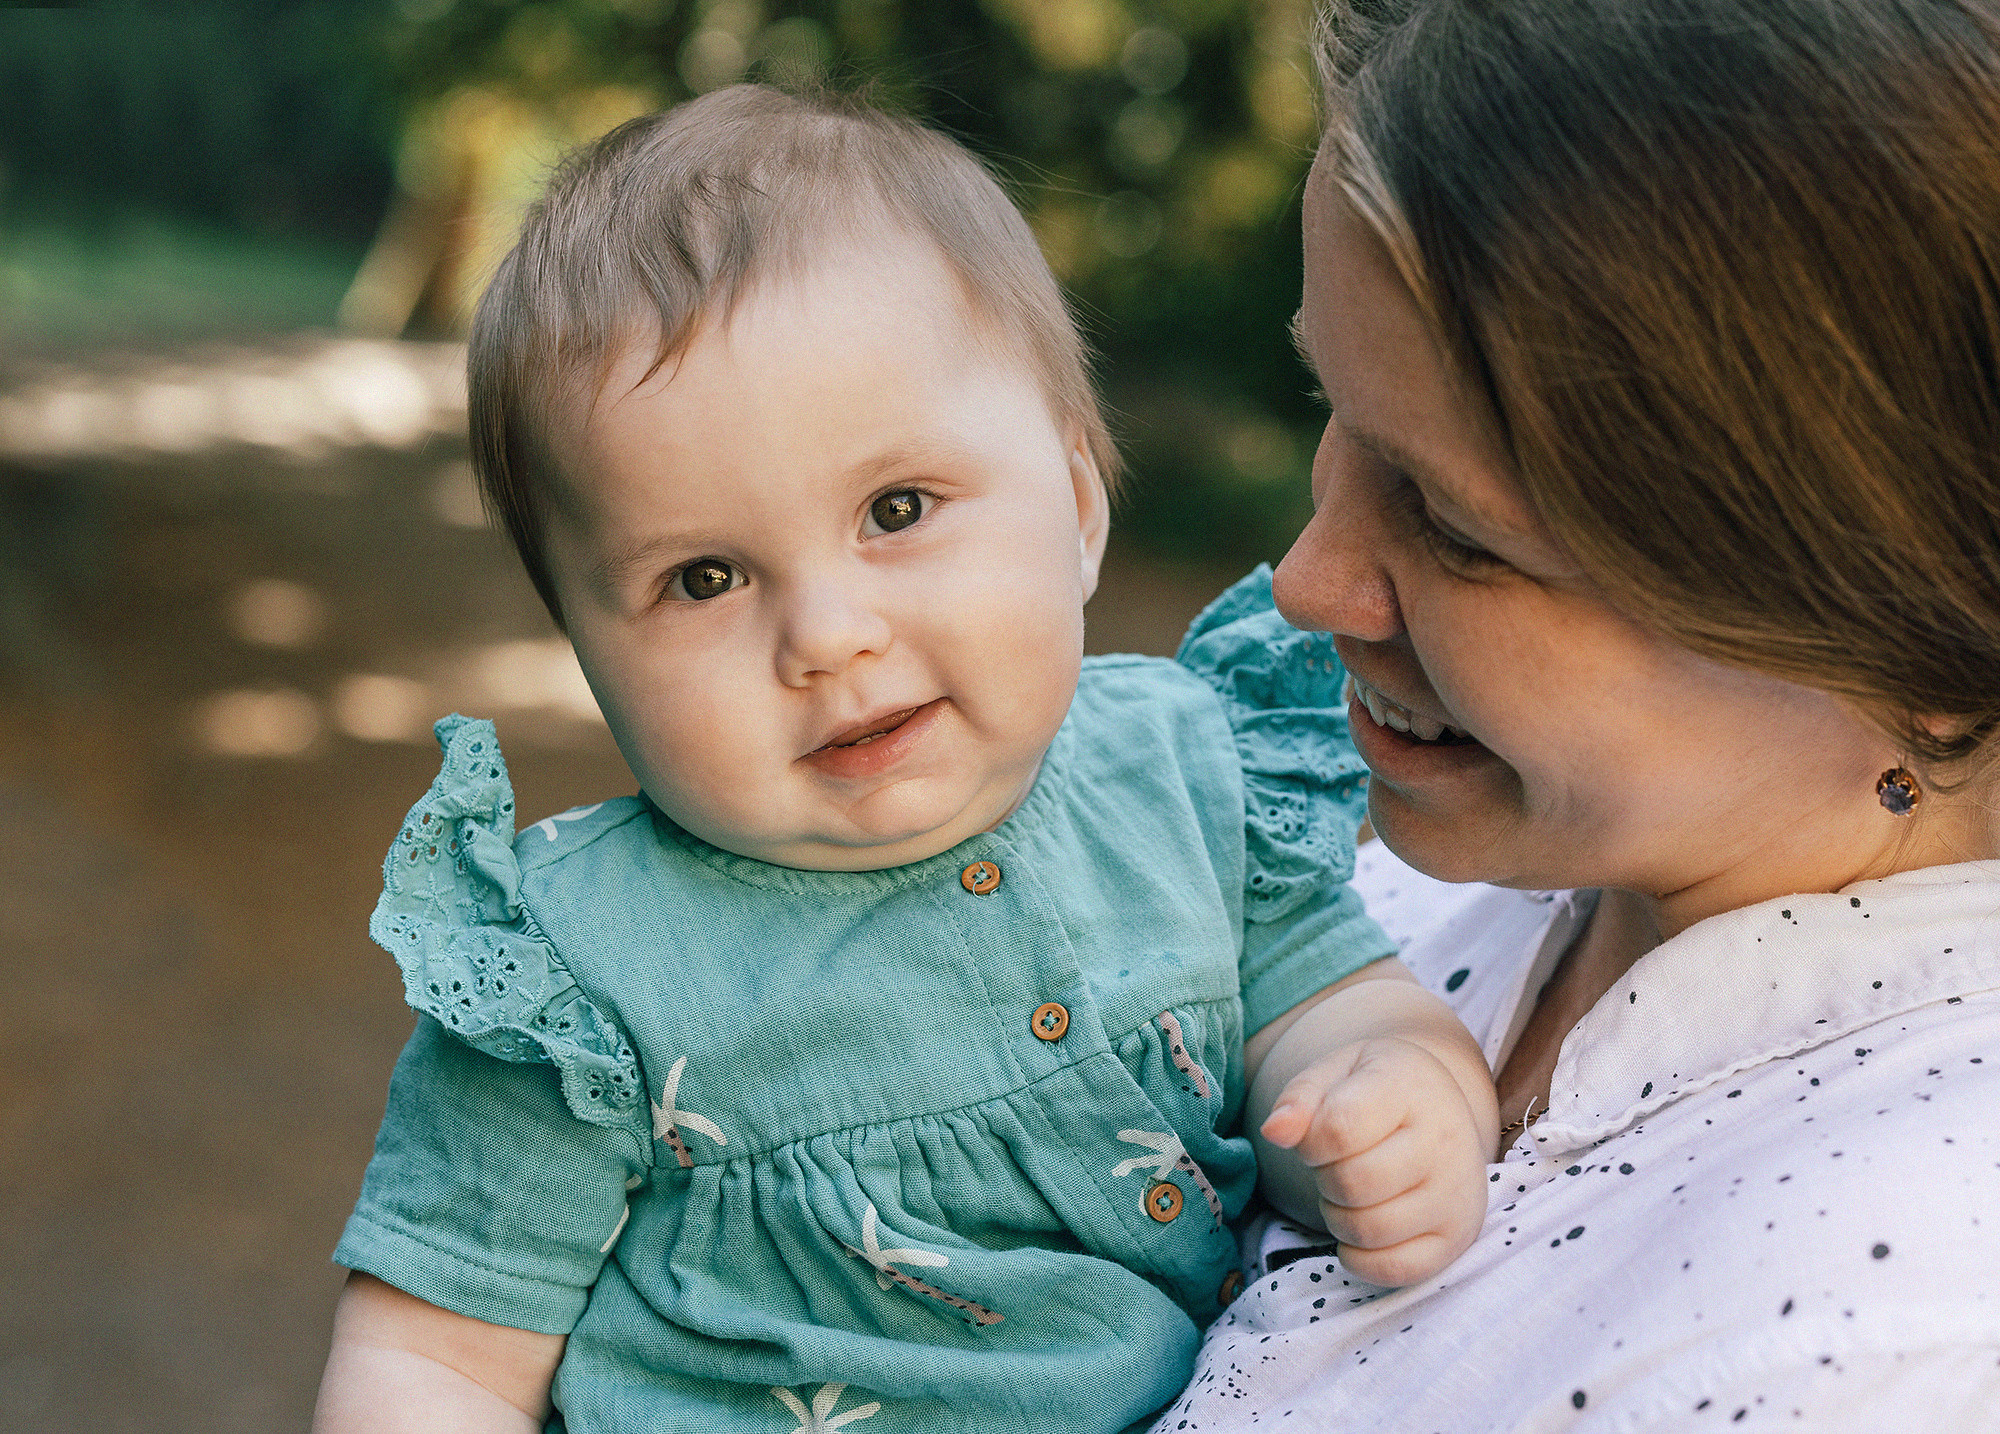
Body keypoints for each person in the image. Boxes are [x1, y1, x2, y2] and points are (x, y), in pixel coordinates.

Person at [311, 86, 1500, 1434]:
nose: (826, 634)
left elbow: (1336, 1010)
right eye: (703, 576)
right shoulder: (579, 979)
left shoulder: (1183, 772)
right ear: (585, 645)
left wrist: (1393, 1099)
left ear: (1079, 506)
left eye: (896, 509)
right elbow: (438, 1363)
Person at [1156, 1, 2000, 1428]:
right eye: (1334, 406)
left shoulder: (1891, 1329)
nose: (1305, 583)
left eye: (1456, 526)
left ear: (1922, 632)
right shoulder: (1329, 822)